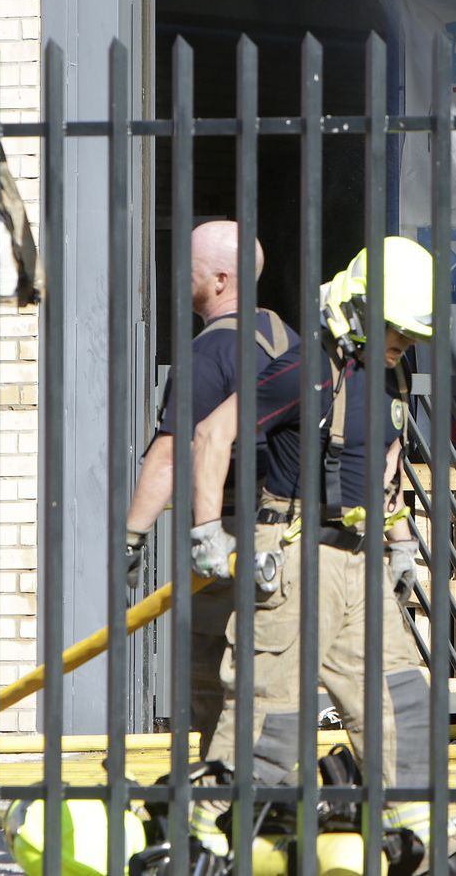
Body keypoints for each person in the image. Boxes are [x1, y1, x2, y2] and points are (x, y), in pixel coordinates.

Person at [189, 234, 437, 861]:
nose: (403, 343)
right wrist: (205, 532)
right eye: (394, 329)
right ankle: (204, 838)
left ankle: (418, 836)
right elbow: (213, 436)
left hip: (360, 560)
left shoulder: (390, 376)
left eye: (410, 334)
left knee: (402, 697)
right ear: (357, 311)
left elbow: (382, 464)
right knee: (274, 715)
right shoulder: (308, 371)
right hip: (297, 557)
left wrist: (401, 542)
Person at [122, 222, 294, 761]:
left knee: (211, 677)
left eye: (189, 266)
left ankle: (220, 789)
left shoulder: (210, 351)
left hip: (230, 536)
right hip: (289, 534)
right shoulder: (284, 337)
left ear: (220, 279)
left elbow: (173, 455)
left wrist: (131, 538)